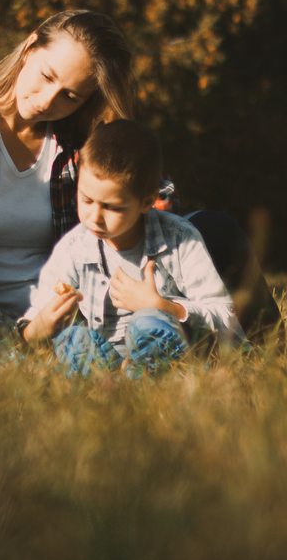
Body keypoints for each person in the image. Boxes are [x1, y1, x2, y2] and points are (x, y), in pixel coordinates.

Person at [0, 11, 135, 343]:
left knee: (212, 228)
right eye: (47, 77)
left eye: (70, 96)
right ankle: (16, 345)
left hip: (62, 313)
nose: (47, 101)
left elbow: (154, 196)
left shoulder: (77, 145)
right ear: (30, 48)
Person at [20, 120, 243, 376]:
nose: (95, 217)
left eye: (112, 207)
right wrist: (34, 328)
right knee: (73, 339)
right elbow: (40, 308)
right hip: (106, 353)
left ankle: (151, 373)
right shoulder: (74, 248)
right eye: (86, 199)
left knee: (147, 320)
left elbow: (227, 319)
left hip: (165, 346)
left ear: (147, 201)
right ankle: (110, 382)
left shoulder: (181, 240)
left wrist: (163, 306)